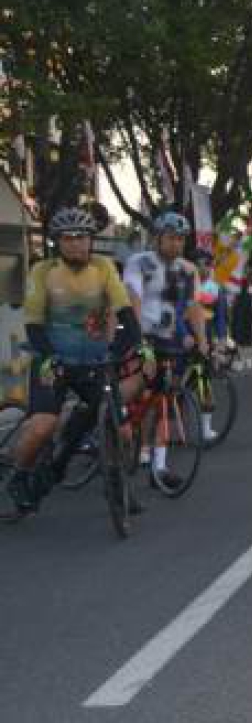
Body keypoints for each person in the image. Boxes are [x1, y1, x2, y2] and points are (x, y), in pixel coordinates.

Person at [6, 208, 144, 514]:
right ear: (57, 242)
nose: (76, 244)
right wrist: (49, 356)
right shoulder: (42, 271)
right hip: (51, 363)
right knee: (43, 426)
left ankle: (113, 483)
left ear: (91, 240)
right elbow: (34, 325)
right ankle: (19, 473)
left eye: (82, 238)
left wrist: (126, 347)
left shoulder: (104, 268)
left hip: (93, 364)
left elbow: (125, 317)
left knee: (121, 429)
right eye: (68, 239)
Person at [124, 211, 209, 487]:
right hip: (141, 334)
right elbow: (133, 300)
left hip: (168, 339)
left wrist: (203, 341)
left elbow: (194, 308)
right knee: (136, 388)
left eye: (181, 239)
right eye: (171, 238)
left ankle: (159, 467)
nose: (176, 244)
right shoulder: (140, 263)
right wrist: (139, 342)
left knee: (164, 397)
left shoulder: (186, 269)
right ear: (157, 238)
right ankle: (114, 421)